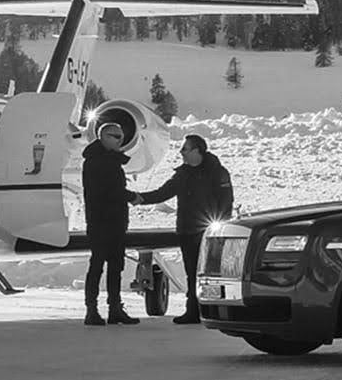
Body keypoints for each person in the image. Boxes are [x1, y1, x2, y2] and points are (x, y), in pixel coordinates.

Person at [132, 134, 233, 324]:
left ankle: (212, 309)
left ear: (198, 151)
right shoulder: (183, 174)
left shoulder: (218, 172)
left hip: (210, 233)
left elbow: (226, 203)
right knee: (192, 272)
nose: (181, 152)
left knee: (210, 273)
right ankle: (193, 310)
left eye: (185, 149)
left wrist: (220, 229)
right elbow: (163, 192)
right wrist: (139, 198)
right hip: (188, 231)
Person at [81, 122, 141, 326]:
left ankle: (115, 308)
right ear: (103, 137)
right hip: (100, 221)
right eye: (115, 136)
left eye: (121, 136)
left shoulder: (109, 161)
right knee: (97, 264)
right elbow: (109, 190)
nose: (120, 140)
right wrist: (132, 196)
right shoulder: (97, 162)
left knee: (115, 266)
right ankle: (92, 310)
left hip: (115, 220)